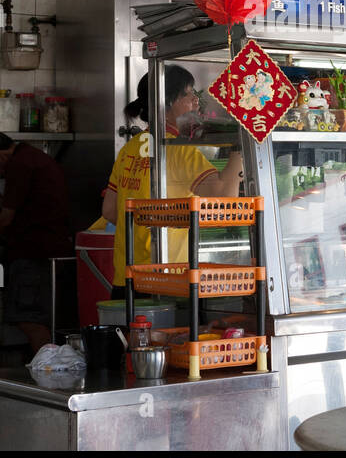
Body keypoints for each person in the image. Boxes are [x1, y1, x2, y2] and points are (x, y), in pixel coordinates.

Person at [101, 66, 243, 297]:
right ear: (166, 102)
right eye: (189, 94)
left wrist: (148, 225)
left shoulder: (131, 147)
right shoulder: (175, 148)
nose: (196, 101)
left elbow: (109, 210)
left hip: (126, 279)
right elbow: (225, 198)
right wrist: (241, 145)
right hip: (166, 281)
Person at [0, 129, 77, 353]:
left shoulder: (20, 165)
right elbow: (27, 207)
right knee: (42, 320)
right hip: (52, 252)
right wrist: (0, 200)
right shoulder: (33, 158)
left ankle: (47, 372)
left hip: (35, 256)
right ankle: (50, 369)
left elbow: (7, 220)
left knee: (31, 320)